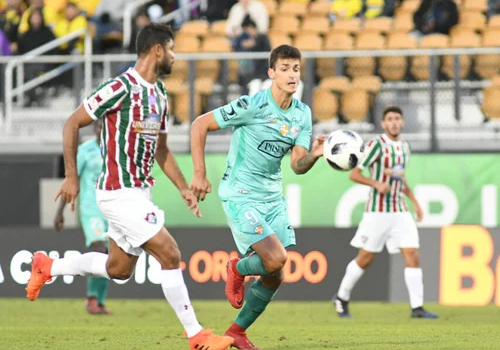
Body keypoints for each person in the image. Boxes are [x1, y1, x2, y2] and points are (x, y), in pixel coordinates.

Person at [25, 23, 234, 350]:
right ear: (157, 50)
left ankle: (48, 266)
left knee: (117, 269)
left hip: (139, 192)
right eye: (172, 49)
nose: (175, 57)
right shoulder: (119, 87)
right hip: (117, 193)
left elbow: (162, 150)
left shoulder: (160, 95)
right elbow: (72, 122)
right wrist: (71, 175)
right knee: (170, 253)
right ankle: (196, 335)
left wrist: (182, 187)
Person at [190, 45, 326, 349]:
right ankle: (237, 268)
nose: (292, 75)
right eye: (285, 68)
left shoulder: (302, 114)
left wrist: (315, 154)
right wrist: (199, 173)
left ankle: (237, 332)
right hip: (241, 194)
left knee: (276, 273)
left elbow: (297, 165)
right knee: (277, 258)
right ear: (271, 73)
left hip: (272, 197)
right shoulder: (252, 105)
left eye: (296, 69)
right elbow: (200, 124)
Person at [333, 106, 438, 319]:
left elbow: (400, 177)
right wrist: (376, 184)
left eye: (397, 119)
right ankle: (342, 297)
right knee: (365, 258)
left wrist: (415, 202)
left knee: (413, 255)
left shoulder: (405, 147)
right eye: (389, 119)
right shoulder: (375, 146)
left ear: (402, 122)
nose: (394, 122)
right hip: (377, 212)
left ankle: (417, 308)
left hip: (400, 210)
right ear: (383, 124)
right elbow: (355, 174)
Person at [54, 120, 111, 315]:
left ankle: (100, 301)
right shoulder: (85, 151)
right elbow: (71, 180)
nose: (102, 130)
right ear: (95, 129)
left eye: (105, 127)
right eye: (99, 127)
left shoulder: (115, 151)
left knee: (111, 257)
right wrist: (60, 211)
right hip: (90, 208)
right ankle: (92, 298)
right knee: (99, 247)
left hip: (111, 210)